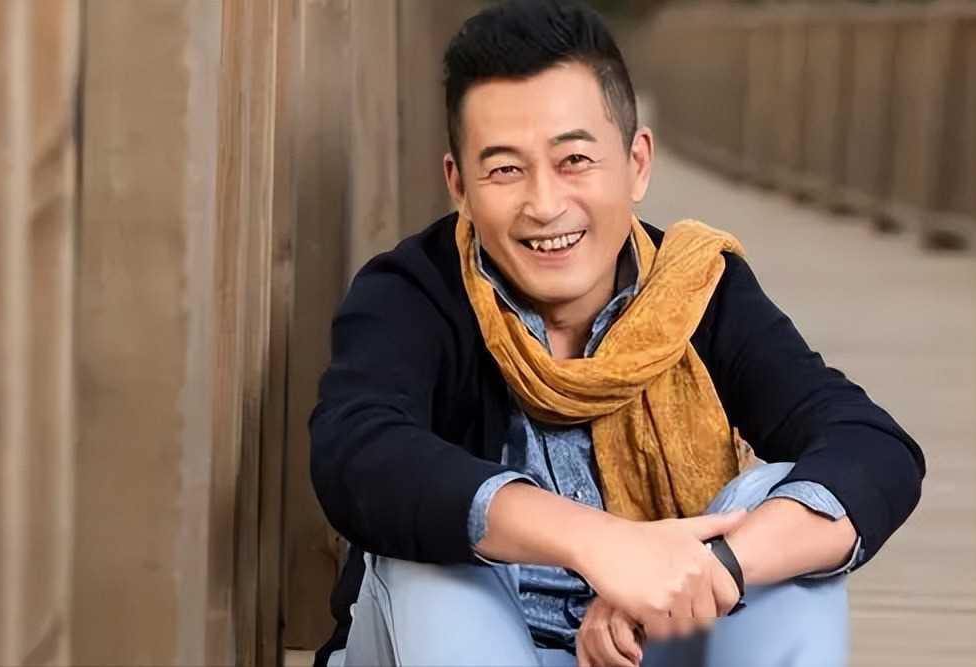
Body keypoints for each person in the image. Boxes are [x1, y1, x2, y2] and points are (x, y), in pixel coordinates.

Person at [309, 1, 925, 665]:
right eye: (505, 169)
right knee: (430, 547)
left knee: (776, 505)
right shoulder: (414, 292)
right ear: (458, 184)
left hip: (649, 642)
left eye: (574, 159)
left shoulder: (695, 290)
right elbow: (357, 450)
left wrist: (713, 565)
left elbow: (870, 446)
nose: (545, 204)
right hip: (466, 641)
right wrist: (598, 542)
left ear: (637, 163)